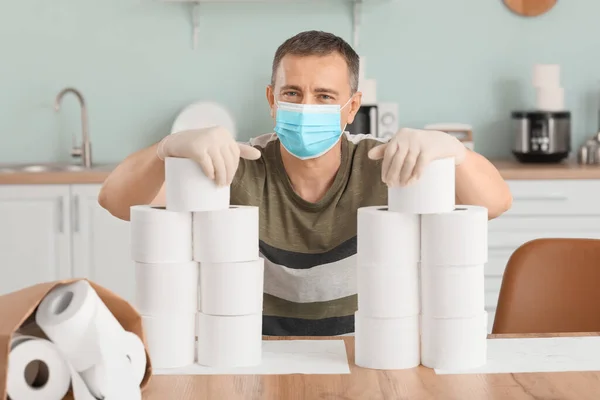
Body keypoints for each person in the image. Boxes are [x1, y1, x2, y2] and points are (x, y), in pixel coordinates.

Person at [99, 30, 512, 336]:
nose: (305, 106)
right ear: (271, 99)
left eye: (325, 96)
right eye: (292, 93)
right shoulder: (237, 166)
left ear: (351, 107)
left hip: (366, 345)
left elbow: (495, 203)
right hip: (253, 347)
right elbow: (115, 201)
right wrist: (165, 149)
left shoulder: (381, 164)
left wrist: (455, 152)